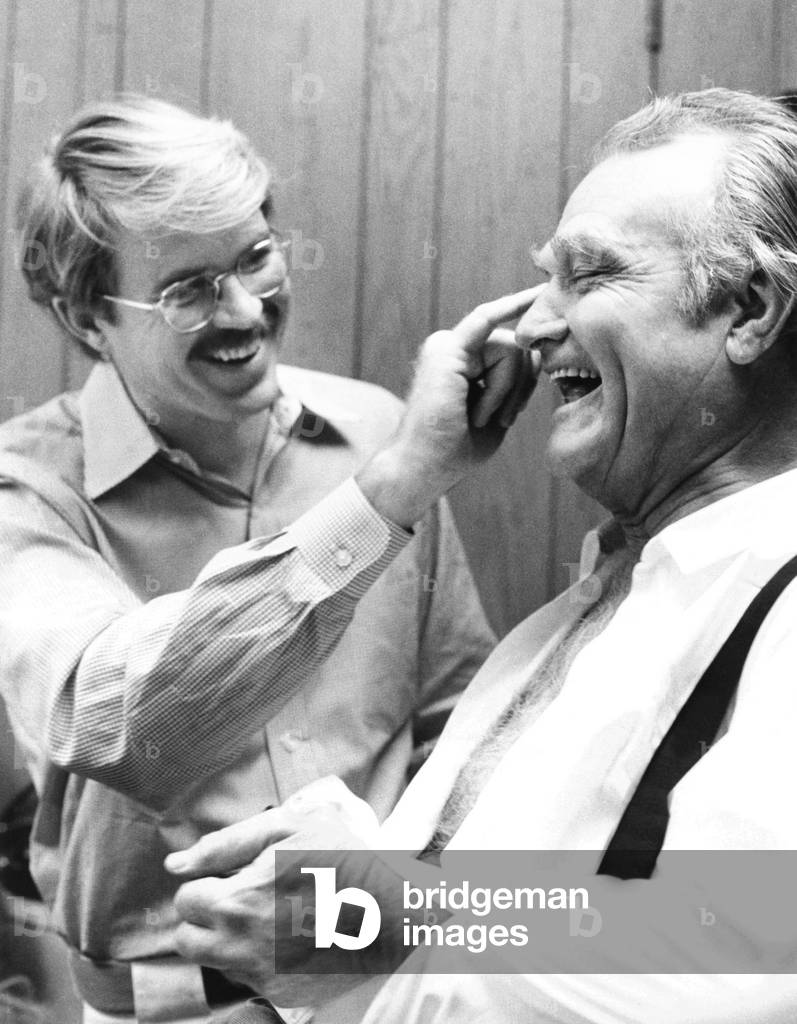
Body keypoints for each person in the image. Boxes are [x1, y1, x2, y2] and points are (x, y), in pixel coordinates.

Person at [169, 88, 797, 1023]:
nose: (532, 328)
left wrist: (391, 919)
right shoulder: (588, 608)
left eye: (588, 276)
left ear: (748, 309)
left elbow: (756, 958)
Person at [0, 95, 539, 1022]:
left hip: (382, 988)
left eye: (255, 256)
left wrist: (414, 926)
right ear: (88, 317)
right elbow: (121, 721)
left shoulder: (376, 429)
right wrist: (397, 488)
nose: (245, 307)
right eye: (189, 288)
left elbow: (458, 725)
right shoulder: (25, 493)